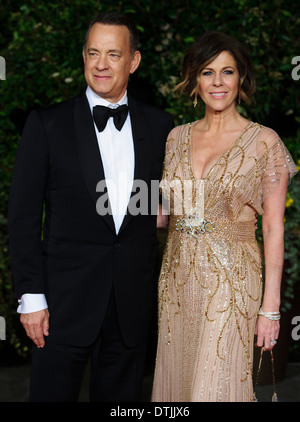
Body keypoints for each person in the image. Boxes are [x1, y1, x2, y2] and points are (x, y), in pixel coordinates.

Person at [8, 12, 174, 402]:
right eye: (93, 53)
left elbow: (158, 209)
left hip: (130, 303)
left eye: (113, 54)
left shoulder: (161, 125)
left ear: (133, 61)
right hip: (61, 306)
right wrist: (31, 298)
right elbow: (24, 217)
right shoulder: (47, 124)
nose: (101, 64)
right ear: (83, 57)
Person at [151, 31, 297, 402]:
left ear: (241, 79)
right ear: (194, 80)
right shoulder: (174, 137)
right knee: (178, 386)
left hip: (233, 283)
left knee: (216, 386)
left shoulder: (265, 142)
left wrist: (271, 309)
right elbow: (161, 217)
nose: (217, 82)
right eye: (206, 72)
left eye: (227, 72)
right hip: (177, 283)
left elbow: (274, 228)